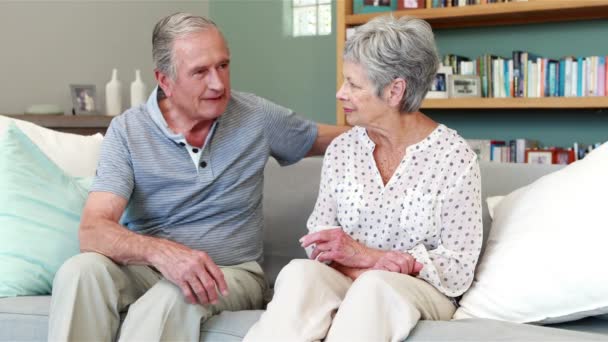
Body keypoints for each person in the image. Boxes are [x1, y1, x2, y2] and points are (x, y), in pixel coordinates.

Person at [48, 13, 346, 342]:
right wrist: (163, 253)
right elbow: (93, 230)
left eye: (223, 65)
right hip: (147, 269)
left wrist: (395, 126)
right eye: (200, 72)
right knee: (80, 272)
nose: (218, 83)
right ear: (165, 80)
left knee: (176, 295)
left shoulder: (255, 117)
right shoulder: (128, 131)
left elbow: (333, 139)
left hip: (231, 272)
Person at [245, 15, 482, 342]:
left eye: (354, 85)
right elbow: (320, 239)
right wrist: (360, 267)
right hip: (348, 276)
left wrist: (371, 259)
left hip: (420, 290)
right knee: (300, 274)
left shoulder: (454, 157)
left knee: (373, 287)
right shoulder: (343, 149)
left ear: (395, 90)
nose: (340, 93)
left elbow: (458, 267)